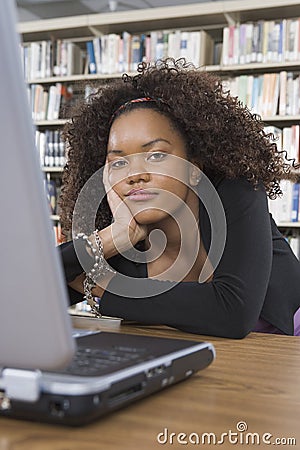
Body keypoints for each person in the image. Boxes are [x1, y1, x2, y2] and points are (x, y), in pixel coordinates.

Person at [58, 58, 300, 338]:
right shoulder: (120, 238)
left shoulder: (236, 191)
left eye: (156, 155)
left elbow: (233, 313)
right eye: (119, 162)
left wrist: (103, 285)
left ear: (194, 167)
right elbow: (22, 290)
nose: (135, 174)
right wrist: (113, 237)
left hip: (284, 354)